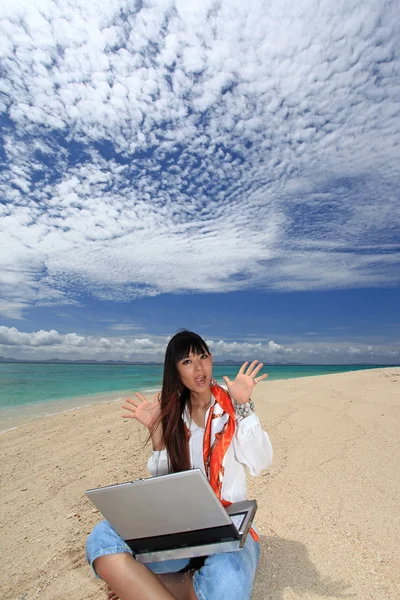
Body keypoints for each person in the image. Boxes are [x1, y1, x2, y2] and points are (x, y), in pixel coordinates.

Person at [86, 330, 273, 600]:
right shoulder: (174, 414)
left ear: (211, 360)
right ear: (176, 371)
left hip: (228, 528)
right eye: (187, 362)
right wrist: (158, 434)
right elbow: (167, 483)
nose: (199, 368)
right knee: (101, 538)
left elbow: (261, 461)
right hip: (183, 526)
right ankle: (177, 585)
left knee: (228, 586)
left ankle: (146, 586)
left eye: (203, 357)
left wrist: (243, 408)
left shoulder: (230, 409)